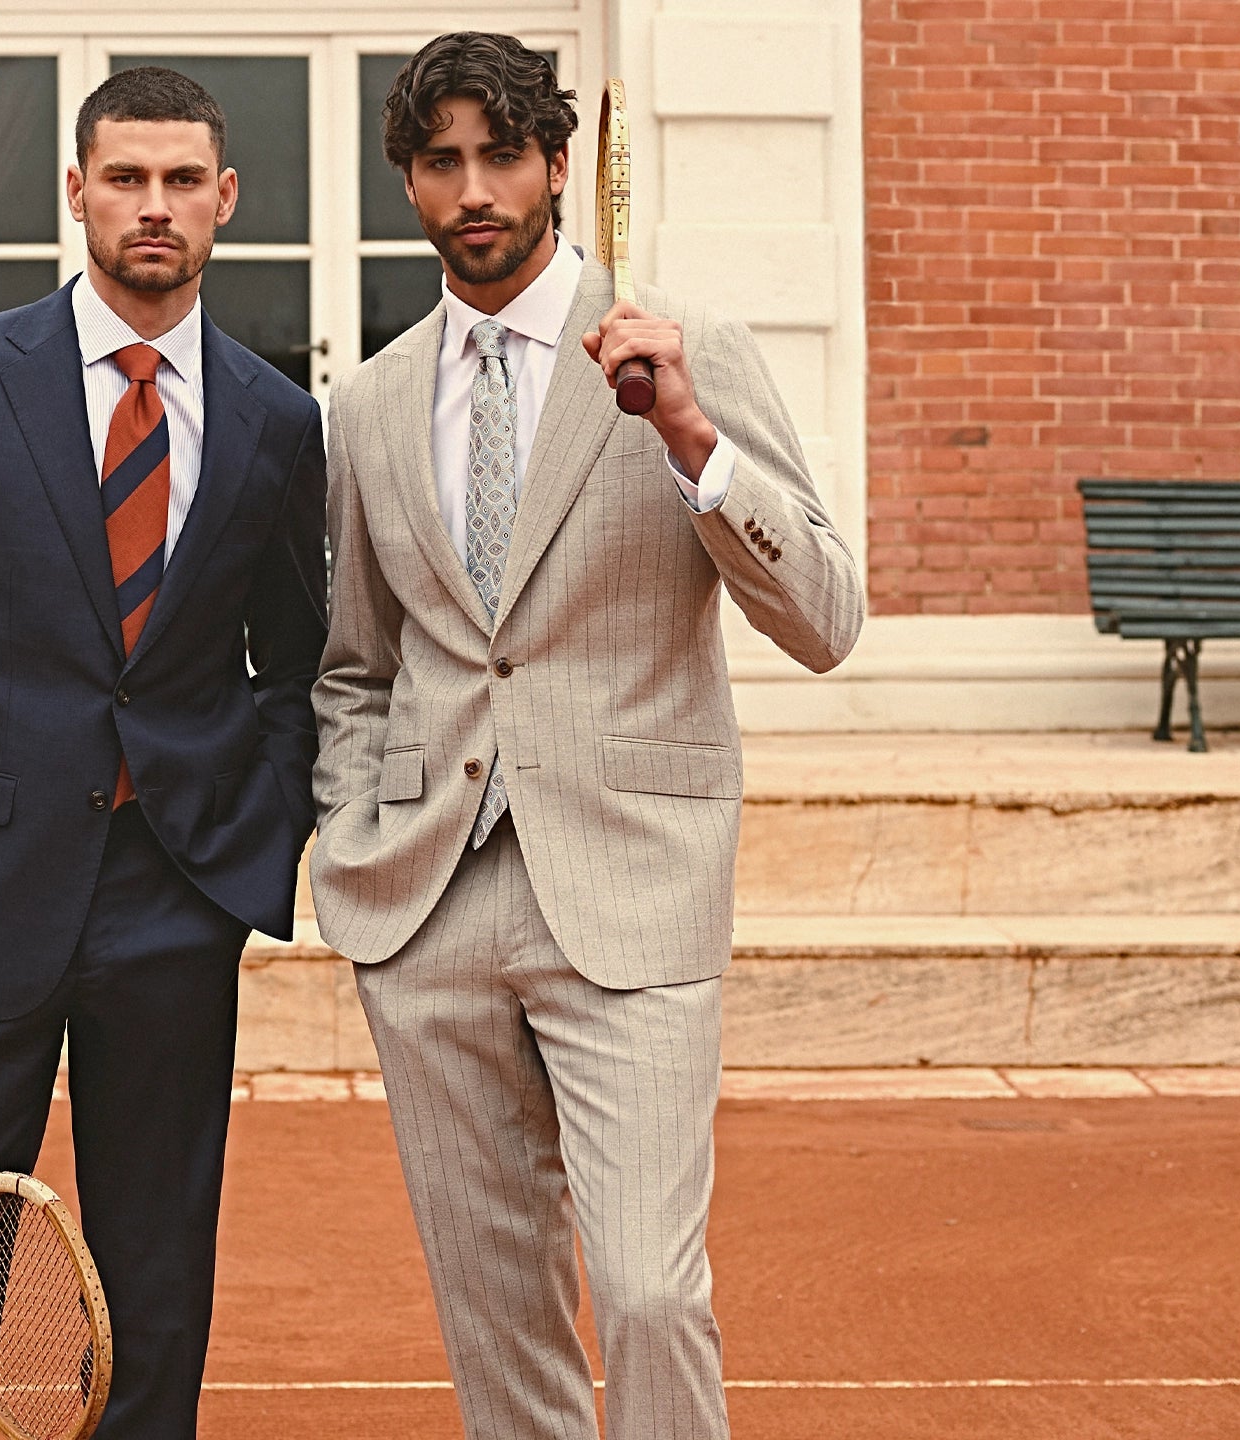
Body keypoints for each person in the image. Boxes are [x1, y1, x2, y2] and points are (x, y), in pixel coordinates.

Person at [309, 32, 864, 1439]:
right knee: (493, 1307)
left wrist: (689, 435)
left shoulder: (685, 353)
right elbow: (354, 666)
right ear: (410, 184)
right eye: (442, 161)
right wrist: (354, 832)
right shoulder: (370, 404)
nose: (475, 187)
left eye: (502, 153)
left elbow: (827, 616)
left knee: (648, 1290)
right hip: (428, 905)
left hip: (631, 889)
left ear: (561, 163)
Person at [0, 66, 327, 1440]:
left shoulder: (275, 420)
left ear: (228, 200)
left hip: (173, 894)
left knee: (156, 1261)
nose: (156, 207)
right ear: (75, 190)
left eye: (183, 181)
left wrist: (246, 835)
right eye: (127, 178)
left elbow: (302, 665)